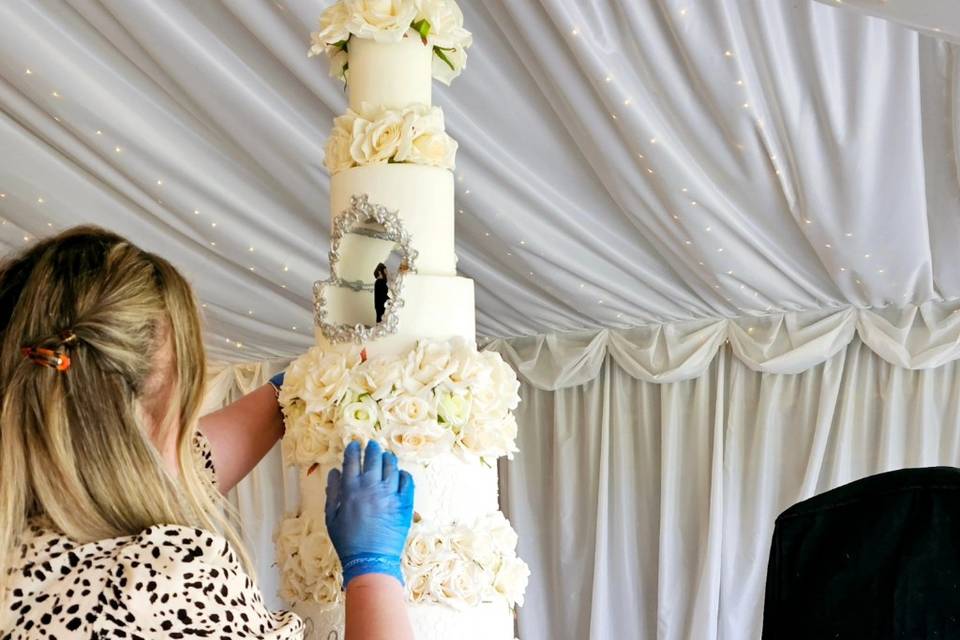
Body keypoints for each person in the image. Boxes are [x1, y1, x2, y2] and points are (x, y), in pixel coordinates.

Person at [0, 226, 415, 639]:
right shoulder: (164, 581)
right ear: (164, 399)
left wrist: (299, 389)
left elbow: (180, 466)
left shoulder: (19, 543)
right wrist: (372, 571)